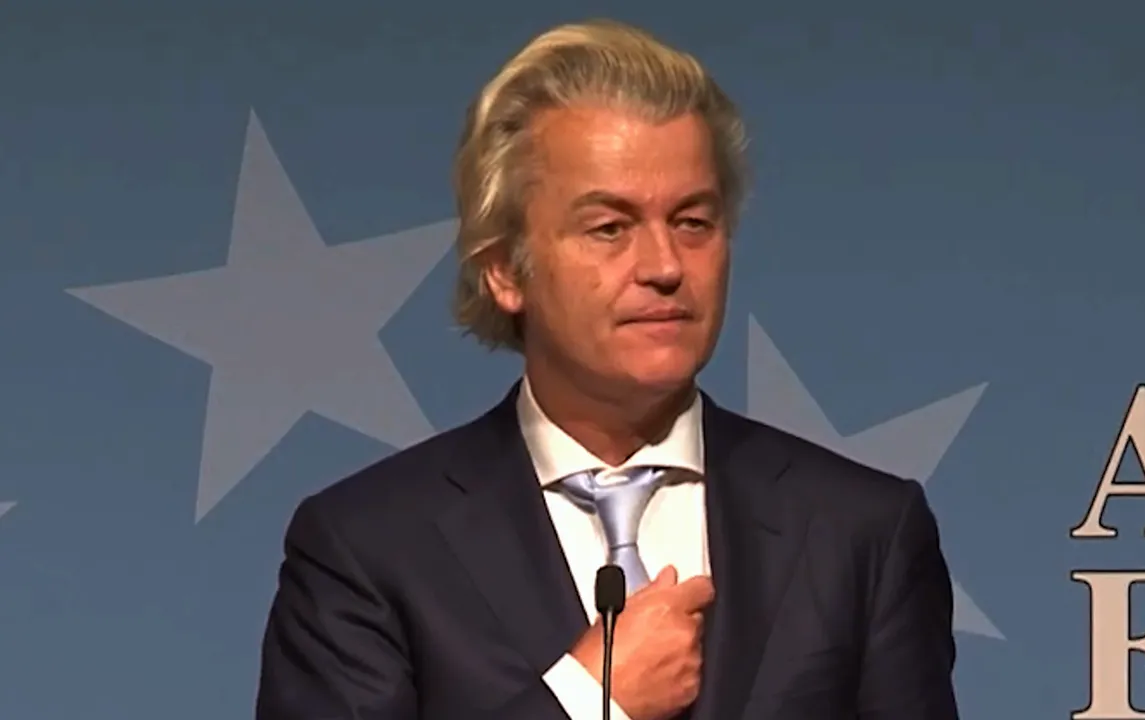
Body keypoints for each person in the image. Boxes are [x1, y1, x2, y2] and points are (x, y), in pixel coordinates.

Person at [255, 18, 959, 720]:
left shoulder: (861, 533)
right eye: (609, 228)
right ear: (504, 270)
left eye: (693, 222)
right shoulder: (367, 548)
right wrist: (590, 702)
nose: (664, 267)